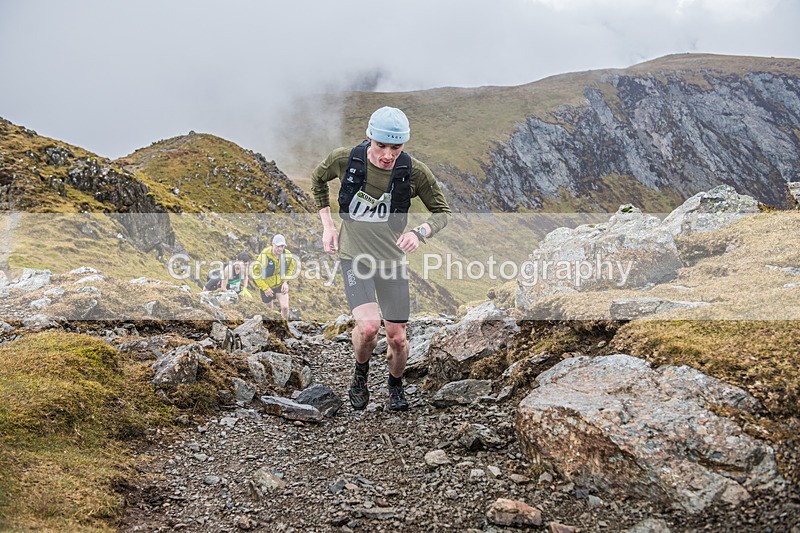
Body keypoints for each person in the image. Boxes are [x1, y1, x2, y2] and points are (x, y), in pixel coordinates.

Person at [311, 106, 451, 411]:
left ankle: (395, 385)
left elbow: (442, 212)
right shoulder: (345, 160)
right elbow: (318, 180)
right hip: (354, 258)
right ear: (369, 138)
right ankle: (360, 374)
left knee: (398, 338)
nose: (388, 155)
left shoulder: (414, 173)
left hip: (392, 262)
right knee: (370, 328)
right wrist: (328, 226)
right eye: (381, 146)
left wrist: (420, 232)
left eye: (396, 148)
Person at [252, 234, 296, 319]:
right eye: (278, 246)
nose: (280, 249)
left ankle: (284, 327)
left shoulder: (287, 254)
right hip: (267, 287)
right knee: (269, 311)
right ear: (273, 244)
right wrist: (265, 288)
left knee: (285, 307)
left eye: (282, 246)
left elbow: (290, 268)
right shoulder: (264, 255)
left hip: (280, 285)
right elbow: (256, 273)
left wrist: (285, 282)